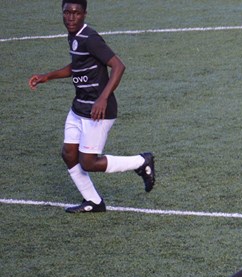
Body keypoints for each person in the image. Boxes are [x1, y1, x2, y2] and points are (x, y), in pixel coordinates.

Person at [28, 1, 155, 214]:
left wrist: (103, 98)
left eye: (76, 13)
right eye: (67, 12)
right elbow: (77, 66)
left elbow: (118, 66)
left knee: (88, 162)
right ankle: (93, 201)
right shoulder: (74, 36)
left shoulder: (90, 38)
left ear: (84, 14)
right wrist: (47, 76)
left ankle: (141, 162)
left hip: (98, 111)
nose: (71, 17)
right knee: (69, 154)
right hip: (79, 107)